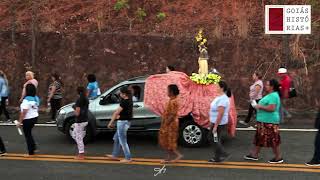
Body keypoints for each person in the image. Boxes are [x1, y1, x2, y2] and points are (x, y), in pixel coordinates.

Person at [244, 79, 283, 164]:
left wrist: (259, 106)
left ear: (272, 87)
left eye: (267, 85)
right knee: (259, 138)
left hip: (269, 121)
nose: (266, 86)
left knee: (273, 139)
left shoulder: (273, 96)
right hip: (263, 120)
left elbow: (272, 108)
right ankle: (254, 154)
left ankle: (278, 157)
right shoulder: (271, 95)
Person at [106, 86, 133, 163]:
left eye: (120, 93)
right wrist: (119, 116)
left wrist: (110, 123)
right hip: (126, 122)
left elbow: (116, 113)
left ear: (124, 94)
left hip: (122, 123)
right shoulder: (129, 100)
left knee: (123, 141)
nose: (120, 94)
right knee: (117, 139)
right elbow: (127, 113)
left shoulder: (124, 102)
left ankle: (128, 158)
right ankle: (114, 155)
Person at [159, 84, 183, 163]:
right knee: (166, 140)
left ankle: (177, 155)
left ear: (171, 92)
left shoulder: (173, 101)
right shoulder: (171, 100)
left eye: (167, 90)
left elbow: (172, 114)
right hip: (168, 122)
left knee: (170, 140)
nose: (167, 92)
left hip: (171, 124)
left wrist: (166, 123)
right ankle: (168, 157)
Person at [208, 81, 231, 163]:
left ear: (222, 88)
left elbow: (220, 113)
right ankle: (217, 157)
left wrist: (215, 126)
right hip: (215, 122)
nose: (215, 87)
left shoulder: (223, 99)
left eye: (217, 86)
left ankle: (224, 153)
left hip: (219, 123)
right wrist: (211, 122)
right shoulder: (219, 97)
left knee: (212, 138)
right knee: (215, 139)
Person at [16, 84, 40, 156]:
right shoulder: (36, 98)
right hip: (35, 117)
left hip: (28, 119)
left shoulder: (26, 100)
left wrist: (19, 122)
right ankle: (33, 147)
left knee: (27, 135)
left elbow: (24, 112)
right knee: (29, 133)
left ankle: (31, 152)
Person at [72, 87, 89, 160]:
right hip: (85, 119)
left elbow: (77, 113)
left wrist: (74, 111)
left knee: (78, 137)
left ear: (78, 92)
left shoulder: (79, 100)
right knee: (76, 135)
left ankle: (81, 154)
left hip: (79, 121)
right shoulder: (86, 99)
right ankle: (81, 148)